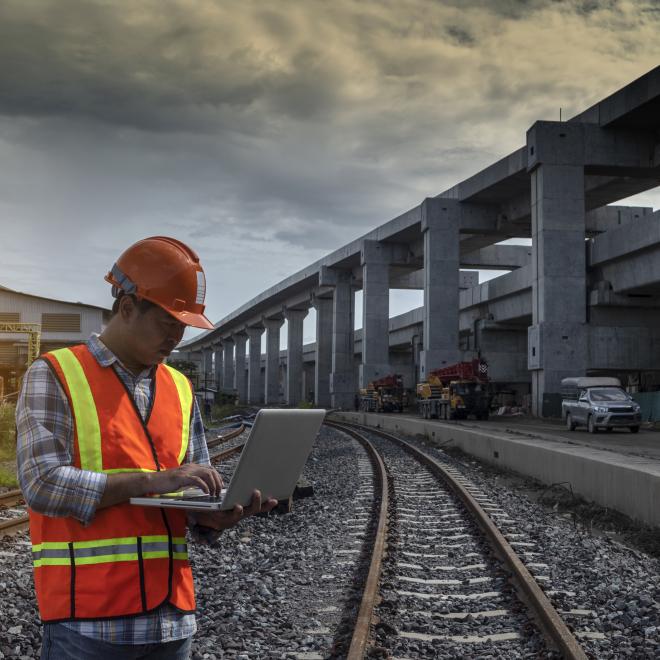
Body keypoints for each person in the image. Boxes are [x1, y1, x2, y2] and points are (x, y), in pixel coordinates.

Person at [16, 236, 277, 660]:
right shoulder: (55, 374)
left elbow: (193, 489)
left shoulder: (180, 388)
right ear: (127, 308)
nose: (175, 338)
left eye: (183, 327)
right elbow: (43, 484)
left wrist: (217, 515)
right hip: (88, 623)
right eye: (167, 324)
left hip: (172, 621)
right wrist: (155, 481)